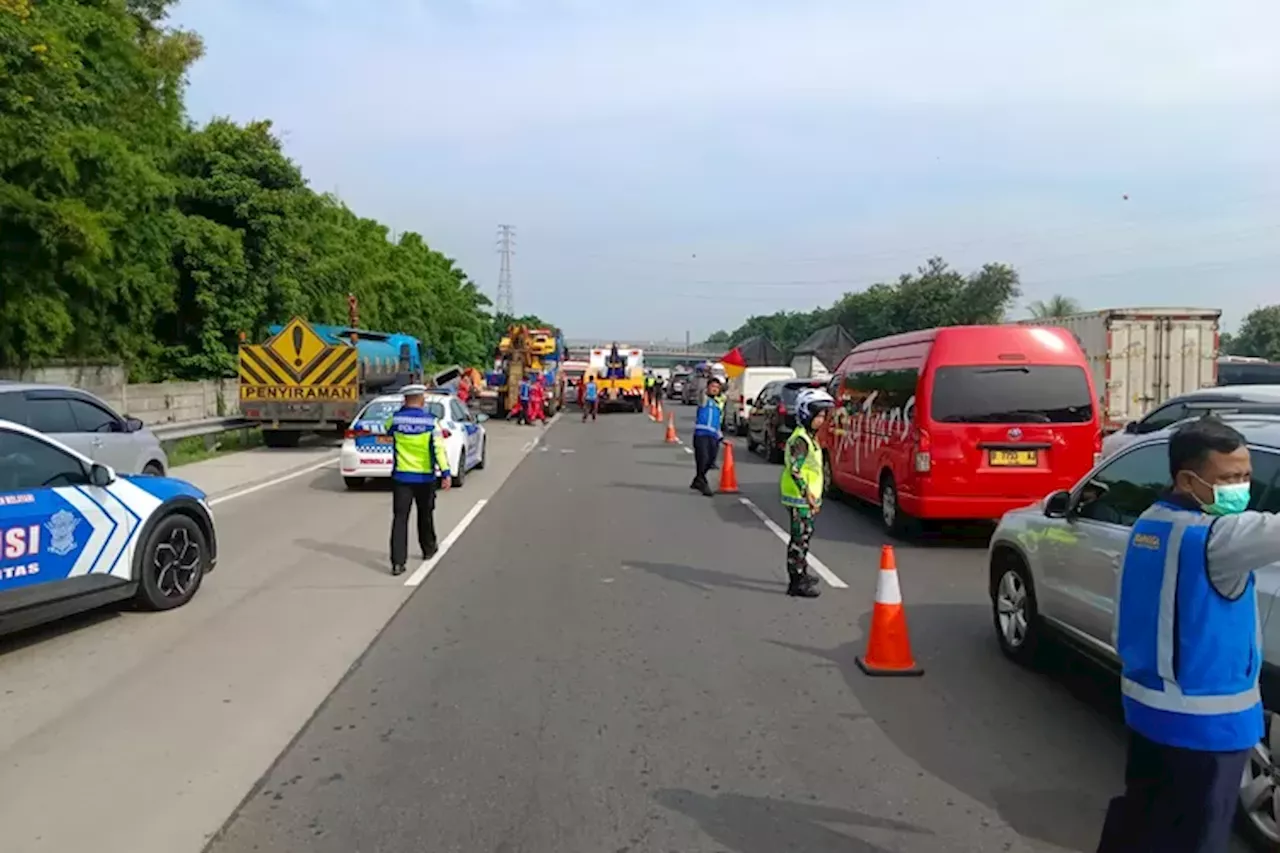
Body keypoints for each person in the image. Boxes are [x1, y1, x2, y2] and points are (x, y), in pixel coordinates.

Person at [1096, 417, 1280, 853]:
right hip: (1208, 728)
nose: (1241, 487)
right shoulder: (1217, 537)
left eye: (1246, 475)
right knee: (1196, 838)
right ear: (1186, 479)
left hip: (1147, 711)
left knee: (1145, 823)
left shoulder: (1152, 523)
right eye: (1228, 478)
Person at [386, 385, 452, 576]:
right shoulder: (432, 422)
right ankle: (428, 549)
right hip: (425, 477)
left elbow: (387, 429)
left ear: (405, 400)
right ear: (422, 400)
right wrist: (446, 473)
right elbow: (438, 448)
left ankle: (398, 563)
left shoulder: (395, 420)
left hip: (401, 477)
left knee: (400, 519)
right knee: (425, 514)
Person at [779, 388, 834, 598]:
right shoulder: (801, 440)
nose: (821, 420)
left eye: (823, 416)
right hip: (799, 497)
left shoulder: (809, 437)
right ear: (805, 414)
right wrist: (808, 495)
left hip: (806, 496)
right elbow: (795, 470)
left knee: (805, 536)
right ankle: (796, 582)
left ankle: (802, 573)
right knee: (799, 539)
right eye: (817, 415)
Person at [690, 375, 728, 496]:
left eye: (717, 387)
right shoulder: (704, 400)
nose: (715, 389)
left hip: (714, 435)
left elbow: (719, 420)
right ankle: (702, 483)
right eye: (712, 386)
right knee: (703, 458)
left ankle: (698, 479)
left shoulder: (719, 402)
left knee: (711, 460)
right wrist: (708, 376)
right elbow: (701, 392)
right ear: (708, 388)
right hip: (701, 434)